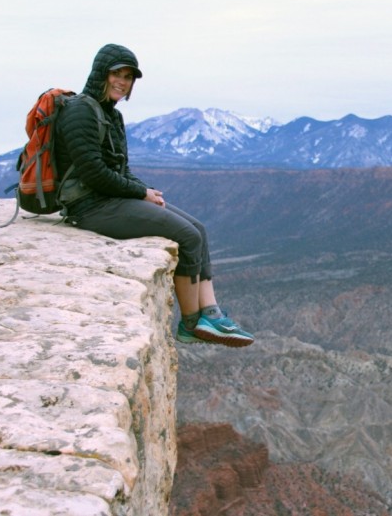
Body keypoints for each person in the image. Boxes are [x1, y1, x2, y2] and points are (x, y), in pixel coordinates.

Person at [54, 43, 253, 348]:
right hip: (89, 206)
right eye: (117, 74)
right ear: (100, 74)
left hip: (110, 199)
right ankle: (190, 324)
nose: (122, 82)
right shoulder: (80, 111)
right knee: (187, 236)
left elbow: (120, 168)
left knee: (198, 229)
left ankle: (211, 313)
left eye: (128, 77)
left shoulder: (110, 115)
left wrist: (146, 192)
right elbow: (93, 172)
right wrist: (139, 192)